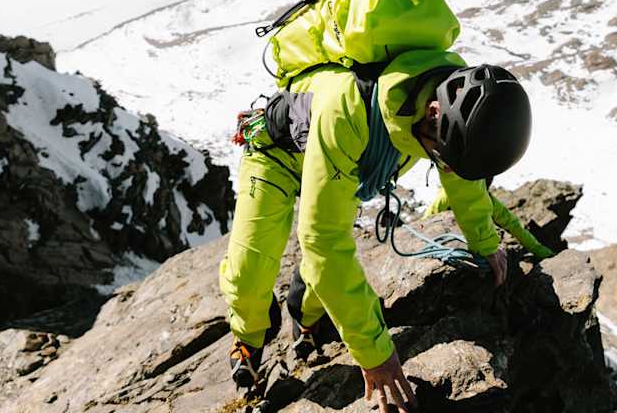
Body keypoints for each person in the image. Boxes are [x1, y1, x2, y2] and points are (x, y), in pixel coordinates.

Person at [218, 53, 532, 413]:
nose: (444, 165)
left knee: (320, 278)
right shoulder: (349, 107)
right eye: (442, 157)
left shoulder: (447, 102)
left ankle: (307, 320)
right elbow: (323, 242)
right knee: (250, 270)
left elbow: (462, 179)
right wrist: (375, 354)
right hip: (278, 158)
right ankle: (249, 338)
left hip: (345, 167)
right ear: (432, 112)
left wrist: (484, 242)